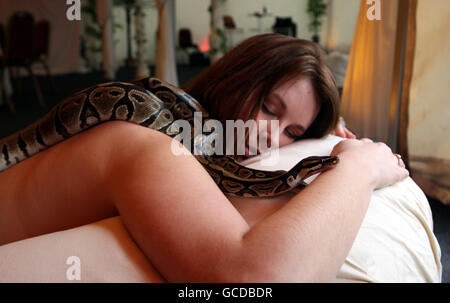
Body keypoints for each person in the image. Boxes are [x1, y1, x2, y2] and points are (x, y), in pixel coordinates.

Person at [0, 34, 408, 282]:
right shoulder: (147, 145)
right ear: (237, 78)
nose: (270, 136)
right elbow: (256, 279)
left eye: (293, 134)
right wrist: (358, 166)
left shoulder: (197, 154)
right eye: (269, 107)